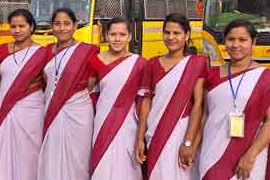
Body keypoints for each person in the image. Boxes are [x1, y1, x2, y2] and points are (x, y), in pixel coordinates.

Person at [135, 13, 208, 180]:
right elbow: (146, 104)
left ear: (187, 35)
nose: (171, 37)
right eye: (167, 33)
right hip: (154, 133)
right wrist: (140, 139)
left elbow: (198, 106)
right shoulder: (152, 64)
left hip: (181, 133)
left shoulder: (196, 64)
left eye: (176, 33)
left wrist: (189, 142)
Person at [198, 19, 270, 180]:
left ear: (253, 42)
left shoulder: (265, 77)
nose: (236, 44)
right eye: (231, 39)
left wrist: (250, 156)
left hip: (248, 157)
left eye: (242, 40)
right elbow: (205, 115)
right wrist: (195, 146)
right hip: (211, 153)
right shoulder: (212, 75)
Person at [38, 8, 99, 180]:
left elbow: (92, 83)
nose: (62, 28)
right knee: (53, 151)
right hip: (52, 110)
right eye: (57, 24)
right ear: (52, 27)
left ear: (75, 26)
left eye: (66, 23)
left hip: (78, 111)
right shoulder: (46, 51)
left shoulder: (88, 50)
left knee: (78, 156)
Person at [0, 9, 46, 180]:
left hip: (32, 108)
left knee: (30, 148)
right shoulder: (1, 51)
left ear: (31, 27)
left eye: (22, 26)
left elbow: (47, 80)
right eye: (13, 26)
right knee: (4, 146)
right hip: (6, 108)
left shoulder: (42, 53)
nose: (17, 30)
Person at [89, 17, 145, 180]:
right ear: (106, 36)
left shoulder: (139, 63)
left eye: (122, 34)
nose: (117, 39)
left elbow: (143, 101)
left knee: (126, 165)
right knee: (102, 163)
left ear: (129, 37)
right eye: (113, 34)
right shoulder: (95, 61)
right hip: (101, 120)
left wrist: (141, 136)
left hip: (128, 124)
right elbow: (89, 94)